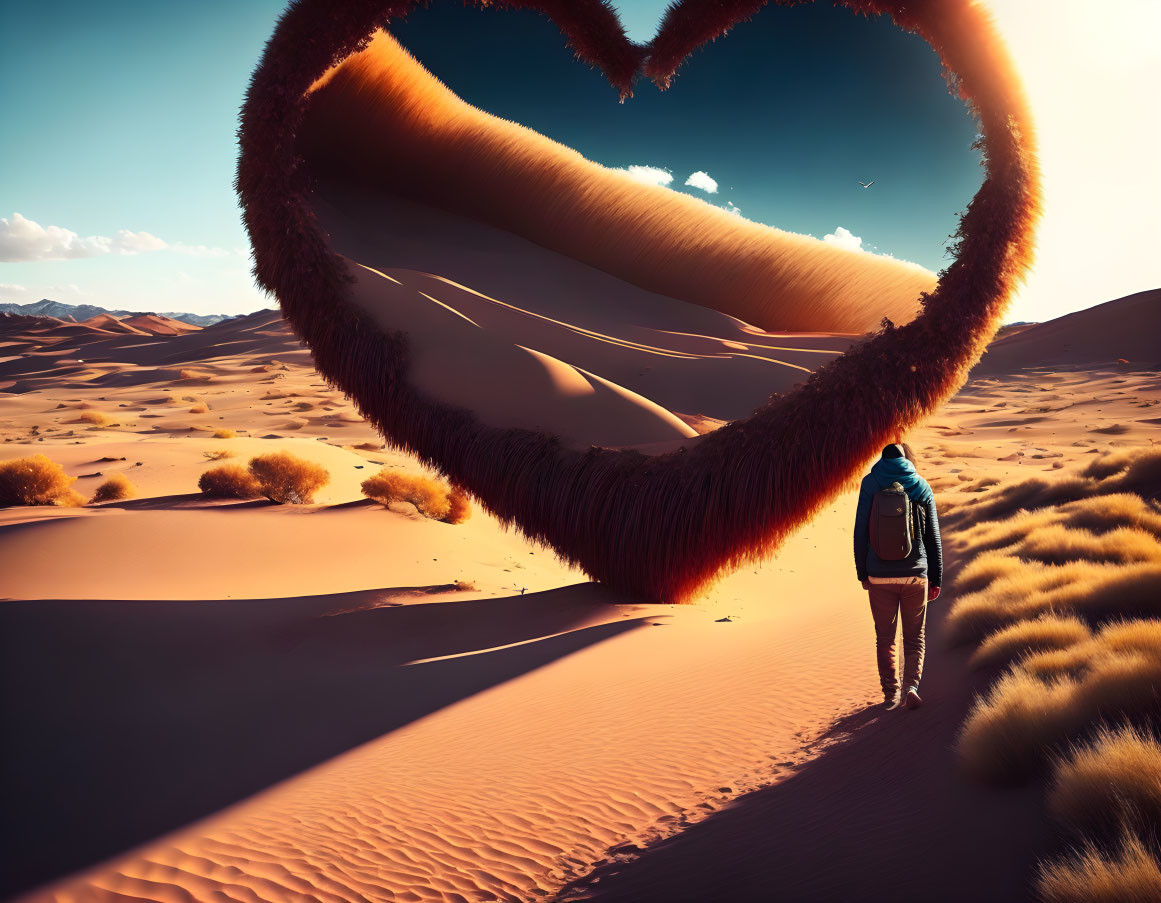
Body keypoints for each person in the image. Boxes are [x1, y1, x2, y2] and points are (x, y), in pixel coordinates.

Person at [853, 442, 942, 711]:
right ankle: (911, 688)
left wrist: (863, 573)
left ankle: (890, 694)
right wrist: (936, 578)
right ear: (907, 460)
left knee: (885, 637)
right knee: (915, 638)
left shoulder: (870, 483)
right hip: (916, 574)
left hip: (879, 575)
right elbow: (933, 537)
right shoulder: (921, 485)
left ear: (882, 459)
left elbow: (859, 533)